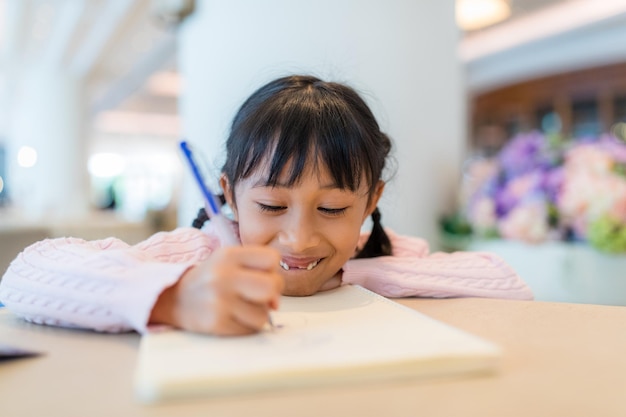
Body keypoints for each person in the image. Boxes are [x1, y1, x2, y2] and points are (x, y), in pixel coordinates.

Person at [0, 75, 533, 336]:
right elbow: (25, 274)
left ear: (371, 200)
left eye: (331, 210)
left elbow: (507, 283)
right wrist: (172, 299)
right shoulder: (196, 253)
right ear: (228, 194)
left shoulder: (390, 254)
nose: (299, 239)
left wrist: (360, 274)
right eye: (273, 206)